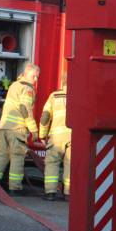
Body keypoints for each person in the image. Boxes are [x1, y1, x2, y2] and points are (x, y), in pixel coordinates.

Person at [0, 63, 39, 194]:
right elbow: (25, 108)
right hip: (17, 128)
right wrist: (34, 130)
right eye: (34, 76)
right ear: (26, 74)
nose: (35, 79)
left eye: (37, 77)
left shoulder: (14, 85)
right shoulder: (27, 88)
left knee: (2, 156)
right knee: (17, 157)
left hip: (4, 128)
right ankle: (15, 188)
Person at [39, 72, 70, 201]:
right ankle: (68, 194)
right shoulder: (80, 95)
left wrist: (42, 135)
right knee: (71, 164)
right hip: (73, 136)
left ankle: (50, 193)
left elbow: (45, 117)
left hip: (56, 137)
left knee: (52, 163)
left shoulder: (54, 96)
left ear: (62, 81)